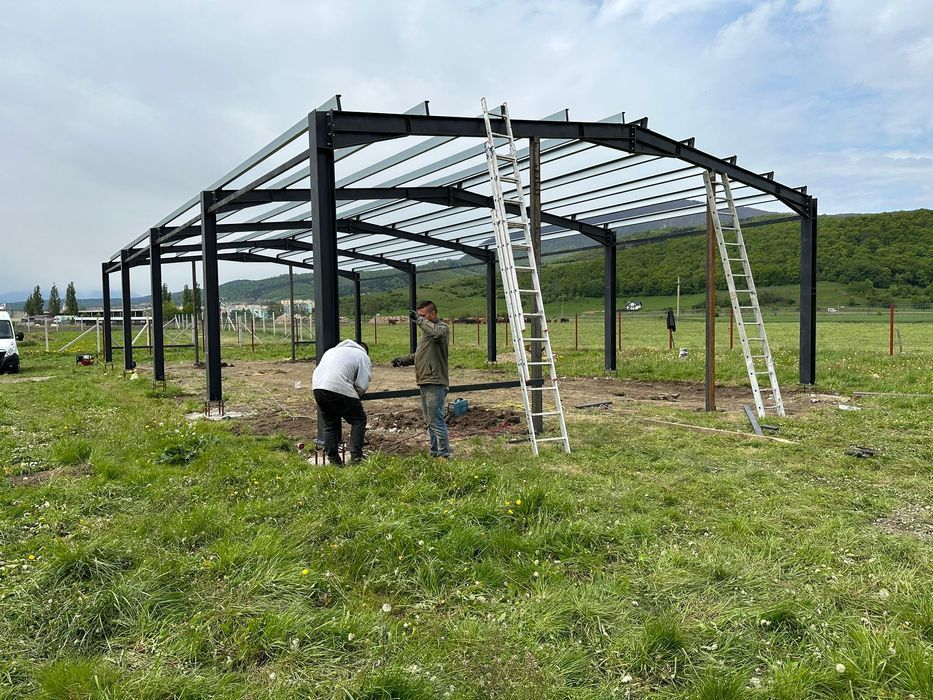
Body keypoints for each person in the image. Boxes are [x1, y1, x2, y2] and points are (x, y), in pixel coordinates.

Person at [391, 300, 451, 459]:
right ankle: (434, 452)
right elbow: (420, 355)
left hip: (435, 381)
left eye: (423, 315)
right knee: (430, 421)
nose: (420, 319)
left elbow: (438, 333)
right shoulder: (426, 333)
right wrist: (403, 360)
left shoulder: (442, 329)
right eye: (419, 316)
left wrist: (419, 320)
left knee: (436, 420)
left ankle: (444, 455)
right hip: (425, 381)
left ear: (433, 314)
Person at [312, 339, 372, 465]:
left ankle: (334, 461)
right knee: (358, 420)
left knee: (330, 424)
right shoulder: (362, 355)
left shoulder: (331, 351)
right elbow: (362, 385)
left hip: (318, 387)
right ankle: (356, 458)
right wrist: (355, 397)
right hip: (339, 387)